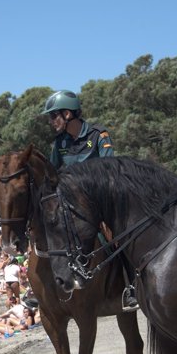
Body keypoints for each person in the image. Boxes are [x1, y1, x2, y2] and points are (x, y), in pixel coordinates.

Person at [42, 90, 138, 310]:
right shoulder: (60, 143)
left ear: (67, 114)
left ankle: (129, 287)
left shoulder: (98, 135)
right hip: (71, 208)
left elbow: (110, 170)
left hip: (99, 206)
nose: (50, 121)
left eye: (53, 116)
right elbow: (52, 174)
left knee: (117, 237)